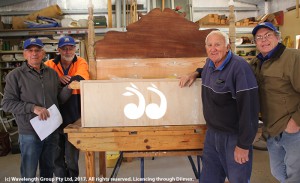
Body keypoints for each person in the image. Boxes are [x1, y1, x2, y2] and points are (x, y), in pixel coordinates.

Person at [179, 30, 259, 183]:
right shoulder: (210, 63)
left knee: (238, 179)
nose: (213, 48)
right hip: (212, 135)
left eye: (217, 44)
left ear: (228, 47)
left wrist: (243, 145)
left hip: (234, 137)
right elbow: (205, 71)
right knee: (209, 178)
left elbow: (249, 111)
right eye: (209, 45)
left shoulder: (240, 68)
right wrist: (194, 74)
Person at [1, 38, 71, 182]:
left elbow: (59, 99)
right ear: (24, 54)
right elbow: (7, 104)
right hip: (29, 132)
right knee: (29, 173)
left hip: (50, 130)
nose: (34, 53)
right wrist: (33, 108)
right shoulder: (15, 75)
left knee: (48, 170)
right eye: (30, 50)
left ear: (43, 53)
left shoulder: (51, 74)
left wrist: (69, 89)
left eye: (37, 50)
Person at [250, 22, 300, 183]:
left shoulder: (293, 57)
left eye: (268, 35)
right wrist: (199, 71)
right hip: (271, 129)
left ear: (277, 37)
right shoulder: (257, 63)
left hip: (292, 129)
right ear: (255, 43)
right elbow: (233, 69)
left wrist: (296, 122)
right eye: (259, 38)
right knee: (278, 171)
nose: (264, 40)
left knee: (295, 175)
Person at [44, 35, 89, 182]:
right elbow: (43, 78)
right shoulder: (49, 63)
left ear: (75, 49)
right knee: (56, 154)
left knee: (71, 156)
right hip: (53, 112)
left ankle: (73, 179)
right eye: (64, 48)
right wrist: (58, 78)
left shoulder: (81, 61)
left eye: (70, 48)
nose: (68, 51)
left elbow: (82, 78)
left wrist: (67, 79)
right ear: (58, 50)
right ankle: (61, 179)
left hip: (73, 112)